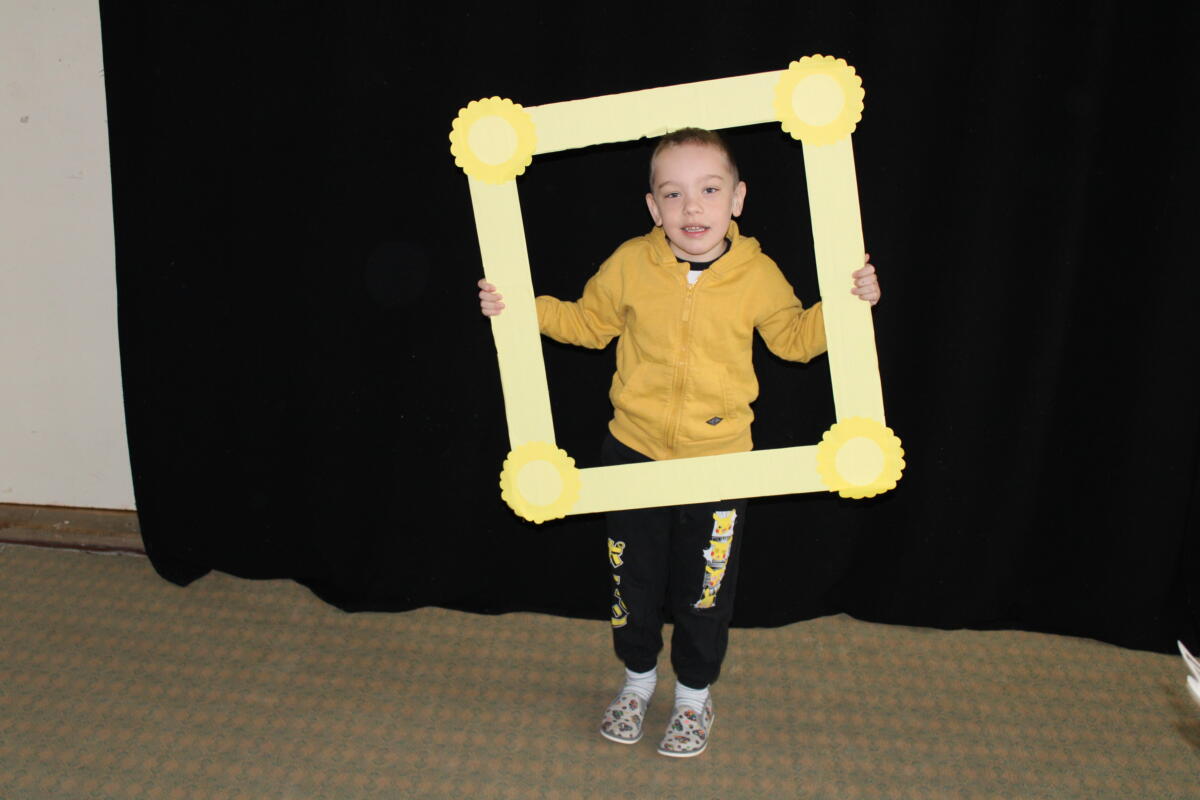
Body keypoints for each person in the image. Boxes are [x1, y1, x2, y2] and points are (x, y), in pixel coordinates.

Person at [477, 128, 880, 757]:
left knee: (705, 589)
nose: (692, 207)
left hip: (719, 465)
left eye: (709, 190)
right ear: (653, 207)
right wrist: (519, 307)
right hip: (632, 453)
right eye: (673, 194)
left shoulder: (756, 273)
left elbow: (795, 338)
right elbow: (588, 323)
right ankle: (637, 680)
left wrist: (850, 306)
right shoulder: (630, 263)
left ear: (737, 199)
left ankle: (693, 695)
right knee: (632, 581)